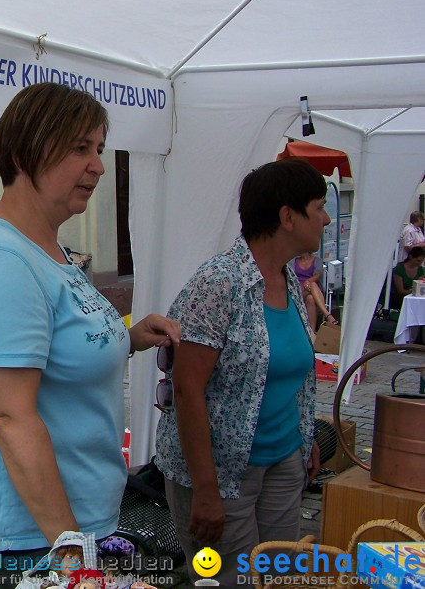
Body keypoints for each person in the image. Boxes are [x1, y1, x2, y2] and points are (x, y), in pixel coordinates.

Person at [0, 82, 180, 586]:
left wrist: (128, 336)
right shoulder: (3, 262)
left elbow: (53, 345)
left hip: (66, 527)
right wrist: (75, 558)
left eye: (99, 149)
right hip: (24, 540)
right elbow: (9, 415)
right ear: (27, 151)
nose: (98, 165)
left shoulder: (46, 248)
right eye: (80, 148)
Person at [155, 158, 325, 586]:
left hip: (284, 462)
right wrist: (206, 490)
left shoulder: (288, 280)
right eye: (318, 207)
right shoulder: (218, 283)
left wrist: (304, 439)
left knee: (280, 576)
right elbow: (187, 389)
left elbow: (294, 372)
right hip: (223, 475)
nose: (324, 219)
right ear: (287, 216)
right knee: (233, 580)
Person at [294, 251, 337, 330]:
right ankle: (328, 315)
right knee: (313, 284)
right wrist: (307, 283)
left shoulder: (317, 260)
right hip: (298, 290)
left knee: (310, 299)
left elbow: (317, 275)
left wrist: (308, 281)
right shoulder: (294, 261)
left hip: (312, 291)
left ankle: (312, 331)